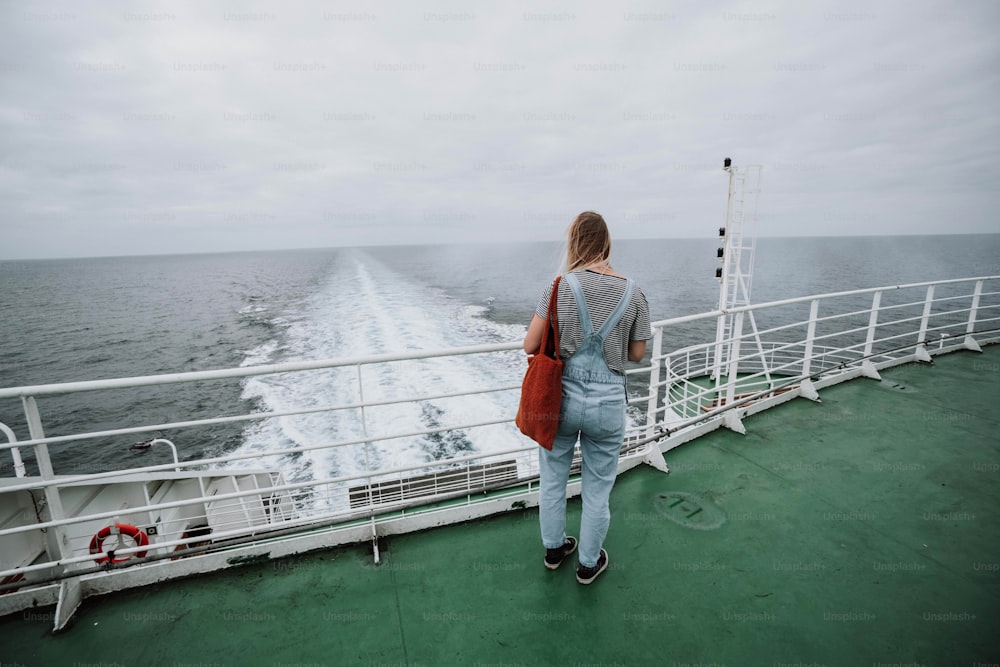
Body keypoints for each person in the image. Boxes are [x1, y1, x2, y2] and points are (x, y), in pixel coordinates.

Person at [523, 211, 652, 584]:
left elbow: (530, 344)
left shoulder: (560, 285)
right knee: (597, 489)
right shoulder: (634, 291)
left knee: (552, 480)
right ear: (607, 244)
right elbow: (637, 353)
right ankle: (588, 564)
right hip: (608, 403)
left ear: (575, 243)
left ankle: (553, 550)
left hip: (559, 401)